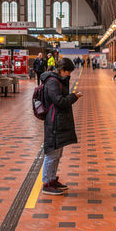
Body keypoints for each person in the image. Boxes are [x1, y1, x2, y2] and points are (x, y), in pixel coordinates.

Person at [40, 58, 83, 195]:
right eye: (68, 71)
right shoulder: (53, 82)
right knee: (52, 153)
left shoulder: (59, 80)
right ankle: (46, 183)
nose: (69, 74)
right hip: (53, 121)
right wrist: (74, 97)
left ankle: (52, 179)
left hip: (59, 120)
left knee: (57, 154)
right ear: (61, 70)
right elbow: (59, 101)